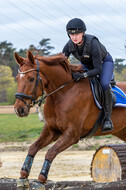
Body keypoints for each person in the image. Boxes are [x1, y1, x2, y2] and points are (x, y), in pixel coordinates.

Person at [62, 18, 114, 132]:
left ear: (83, 33)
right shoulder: (70, 44)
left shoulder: (93, 43)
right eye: (71, 34)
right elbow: (61, 60)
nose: (74, 37)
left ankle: (107, 119)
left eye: (77, 34)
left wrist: (82, 76)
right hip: (86, 65)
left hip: (103, 63)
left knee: (104, 84)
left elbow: (97, 70)